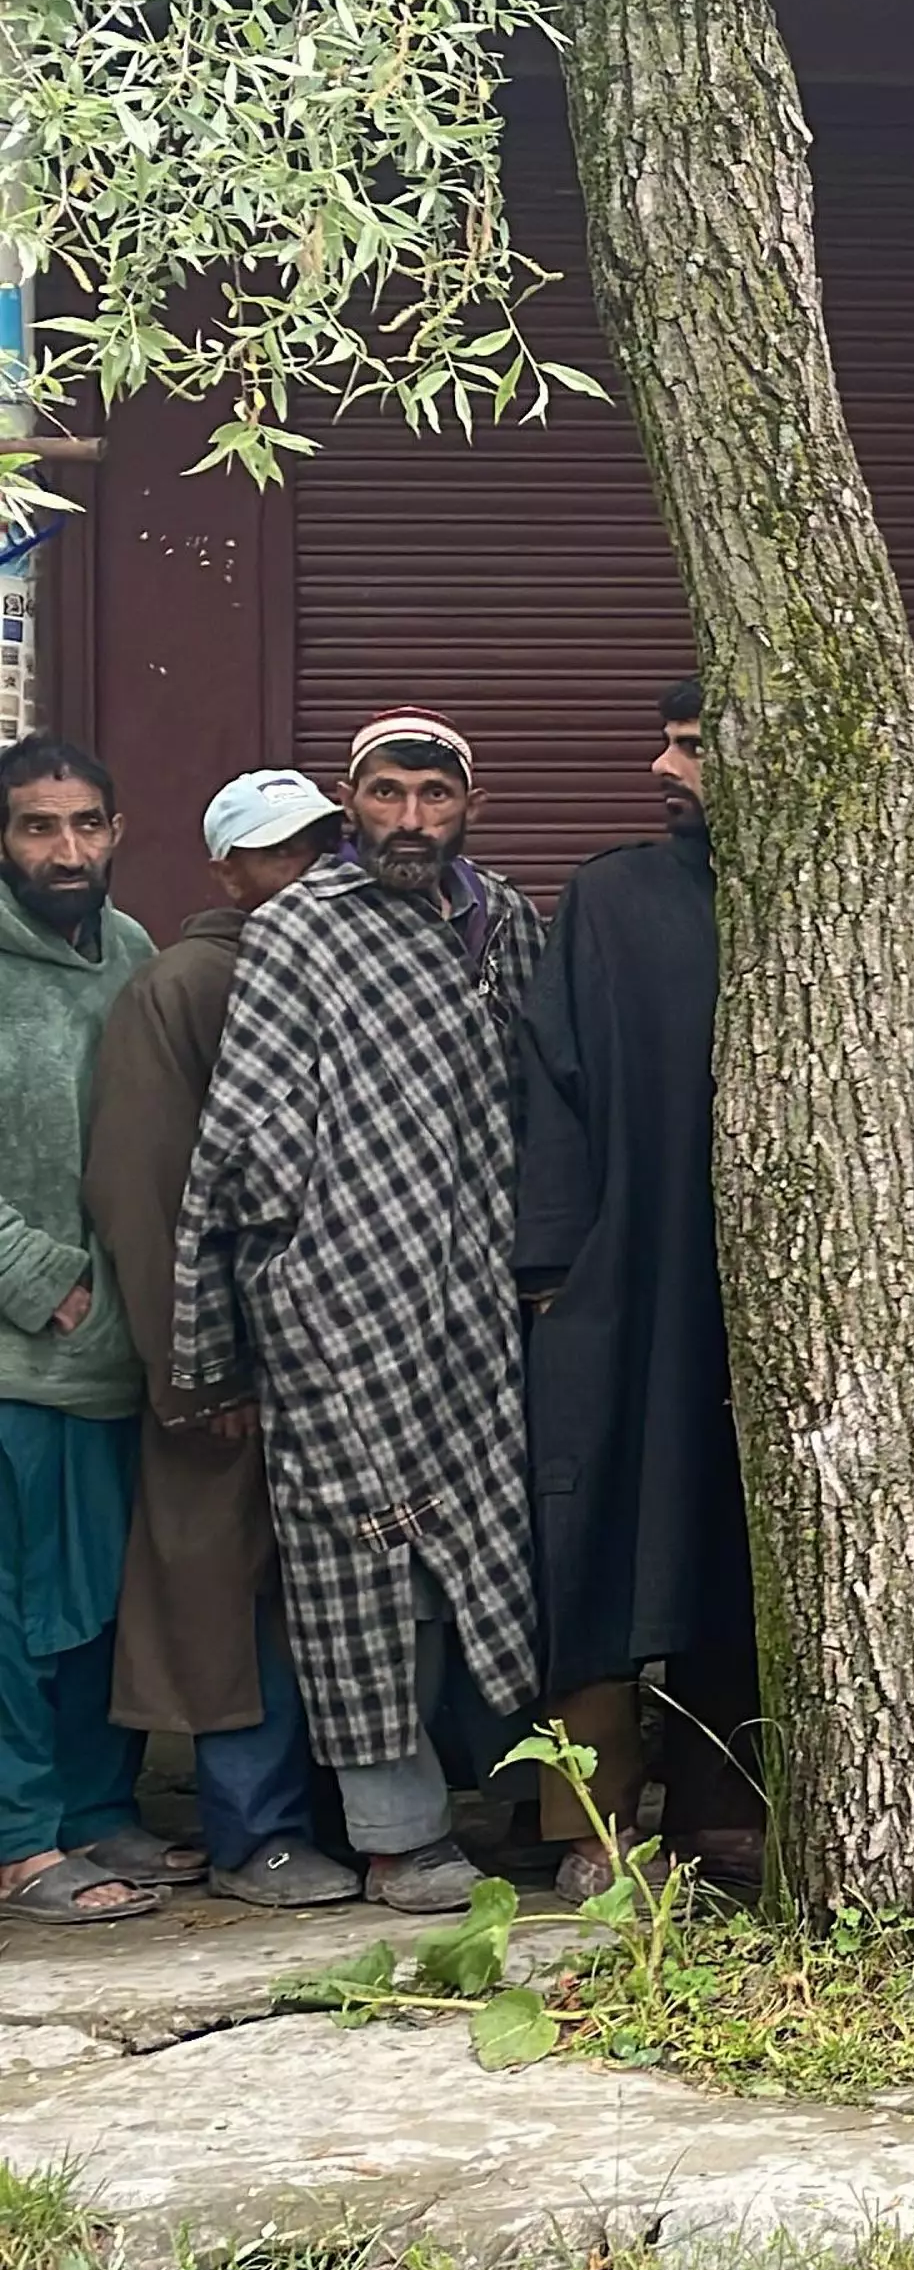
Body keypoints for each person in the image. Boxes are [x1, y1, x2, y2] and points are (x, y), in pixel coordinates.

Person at [169, 710, 546, 1914]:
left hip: (481, 1309)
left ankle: (510, 1801)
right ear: (354, 799)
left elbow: (546, 1101)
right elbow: (246, 1128)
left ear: (470, 803)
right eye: (387, 795)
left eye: (435, 798)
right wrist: (254, 1304)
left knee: (478, 1550)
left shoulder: (508, 925)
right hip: (339, 1305)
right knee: (357, 1568)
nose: (410, 822)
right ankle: (396, 1834)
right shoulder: (301, 932)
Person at [85, 771, 358, 1909]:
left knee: (326, 1593)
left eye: (323, 845)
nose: (312, 870)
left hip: (341, 1355)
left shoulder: (352, 972)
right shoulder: (186, 985)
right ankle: (255, 1833)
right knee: (224, 1592)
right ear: (229, 869)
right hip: (230, 1354)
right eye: (283, 851)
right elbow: (140, 1188)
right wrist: (192, 1364)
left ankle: (337, 1817)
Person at [516, 682, 758, 1899]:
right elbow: (551, 1084)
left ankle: (723, 1818)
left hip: (758, 1299)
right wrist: (554, 1268)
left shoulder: (812, 908)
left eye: (694, 748)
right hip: (621, 1282)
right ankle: (590, 1829)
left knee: (740, 1548)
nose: (663, 768)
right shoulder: (609, 899)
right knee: (599, 1542)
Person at [0, 737, 172, 1926]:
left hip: (122, 1351)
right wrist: (35, 1277)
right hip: (19, 1348)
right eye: (38, 828)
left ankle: (96, 1806)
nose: (68, 851)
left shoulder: (134, 954)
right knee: (13, 1609)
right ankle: (19, 1838)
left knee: (103, 1595)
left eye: (88, 826)